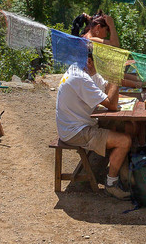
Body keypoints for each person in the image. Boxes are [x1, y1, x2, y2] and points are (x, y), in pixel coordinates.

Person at [54, 59, 132, 199]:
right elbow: (112, 104)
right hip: (75, 132)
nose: (103, 64)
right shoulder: (80, 77)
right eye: (100, 61)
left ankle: (124, 168)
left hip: (79, 124)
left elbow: (106, 89)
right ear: (89, 61)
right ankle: (111, 184)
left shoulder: (84, 69)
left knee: (127, 125)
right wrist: (115, 76)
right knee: (124, 141)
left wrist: (112, 78)